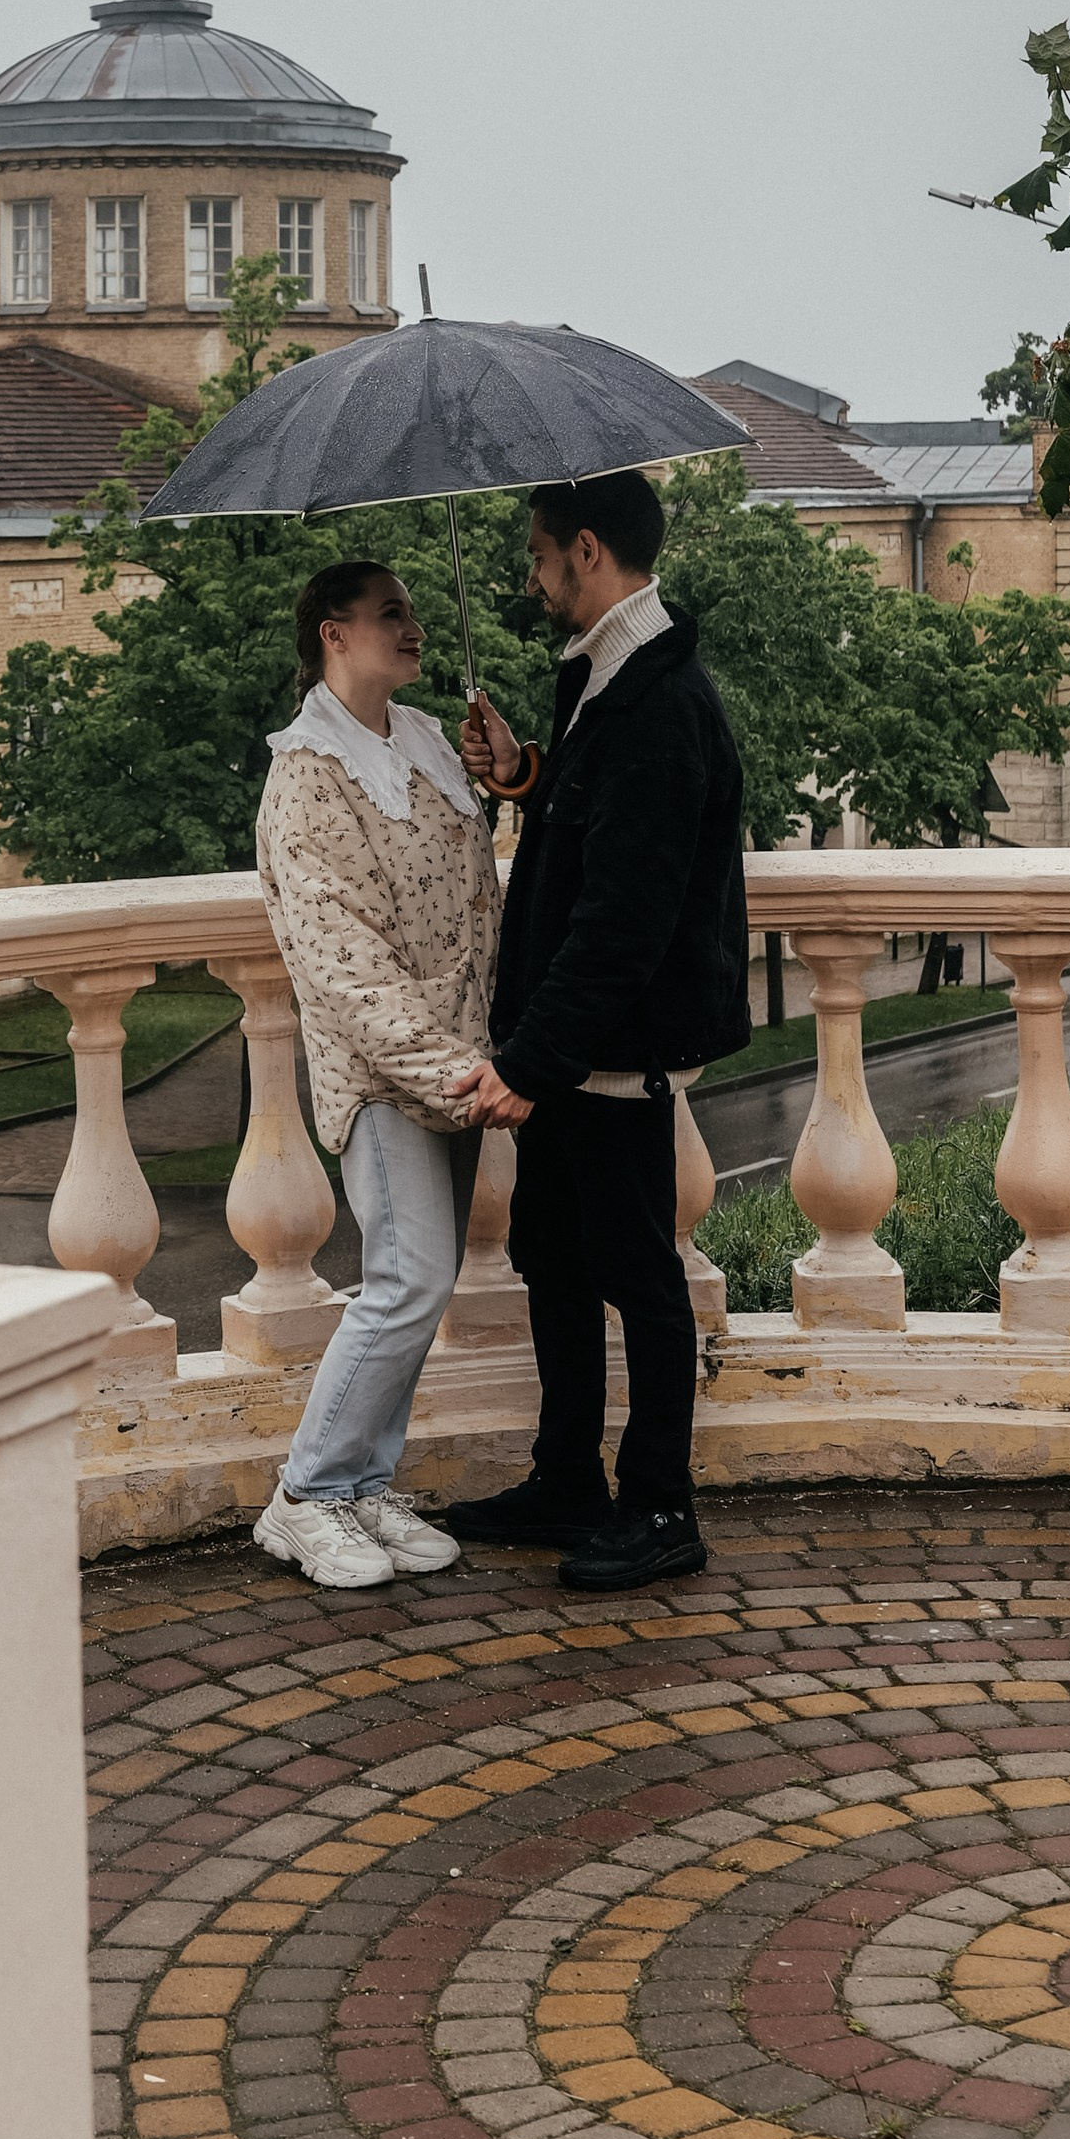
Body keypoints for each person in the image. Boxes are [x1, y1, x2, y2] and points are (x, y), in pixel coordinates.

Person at [441, 471, 749, 1596]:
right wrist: (523, 772)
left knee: (637, 1272)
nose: (527, 576)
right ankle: (566, 1474)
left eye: (535, 554)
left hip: (614, 1048)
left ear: (585, 551)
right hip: (579, 1042)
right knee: (552, 1257)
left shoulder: (661, 703)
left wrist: (530, 1060)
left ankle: (660, 1505)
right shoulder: (607, 676)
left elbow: (625, 918)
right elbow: (587, 822)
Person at [251, 560, 500, 1594]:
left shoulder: (431, 739)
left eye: (412, 609)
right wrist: (451, 1068)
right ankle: (305, 1496)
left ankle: (360, 1482)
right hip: (389, 1071)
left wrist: (510, 774)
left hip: (461, 1056)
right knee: (407, 1280)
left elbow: (473, 893)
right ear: (331, 634)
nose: (414, 628)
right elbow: (340, 959)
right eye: (389, 613)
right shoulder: (306, 775)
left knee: (422, 1280)